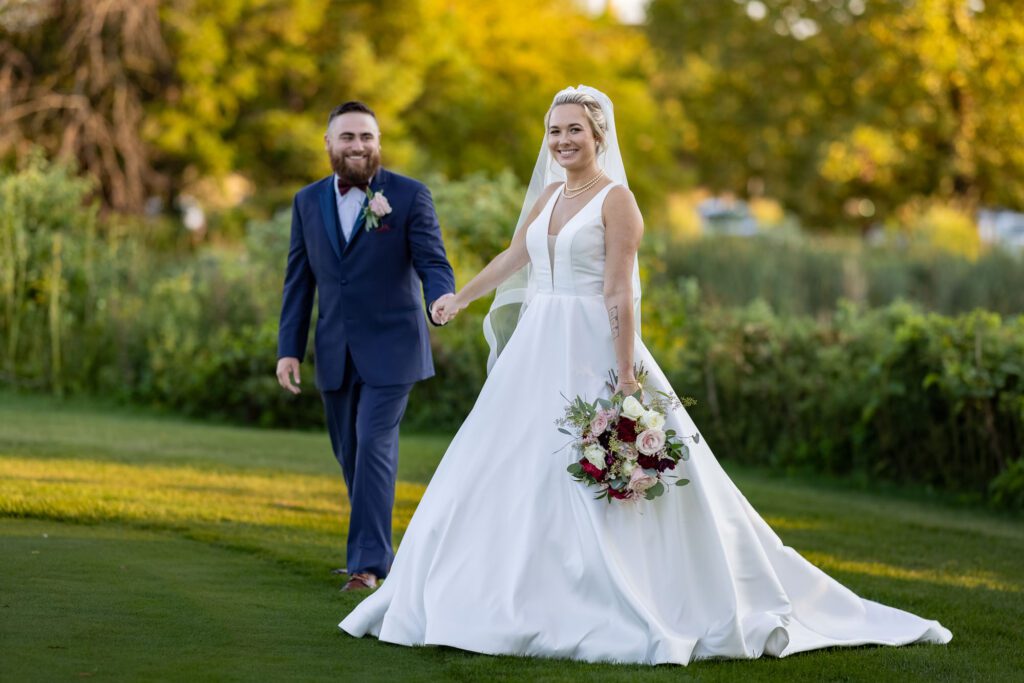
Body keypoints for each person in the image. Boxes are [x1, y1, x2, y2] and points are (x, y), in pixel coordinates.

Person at [338, 87, 952, 664]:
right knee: (502, 464)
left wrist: (627, 375)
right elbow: (514, 257)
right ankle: (492, 594)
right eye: (554, 132)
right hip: (536, 345)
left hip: (592, 347)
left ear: (599, 134)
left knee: (588, 469)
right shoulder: (551, 195)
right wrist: (460, 298)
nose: (562, 141)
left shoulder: (616, 200)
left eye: (574, 130)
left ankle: (614, 599)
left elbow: (618, 292)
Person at [276, 101, 455, 593]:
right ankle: (375, 553)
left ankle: (368, 566)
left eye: (367, 137)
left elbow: (433, 262)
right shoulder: (307, 201)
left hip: (393, 348)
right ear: (329, 144)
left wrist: (440, 297)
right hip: (334, 349)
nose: (358, 145)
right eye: (348, 137)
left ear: (378, 143)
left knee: (374, 445)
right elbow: (299, 281)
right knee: (350, 452)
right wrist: (287, 349)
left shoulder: (409, 195)